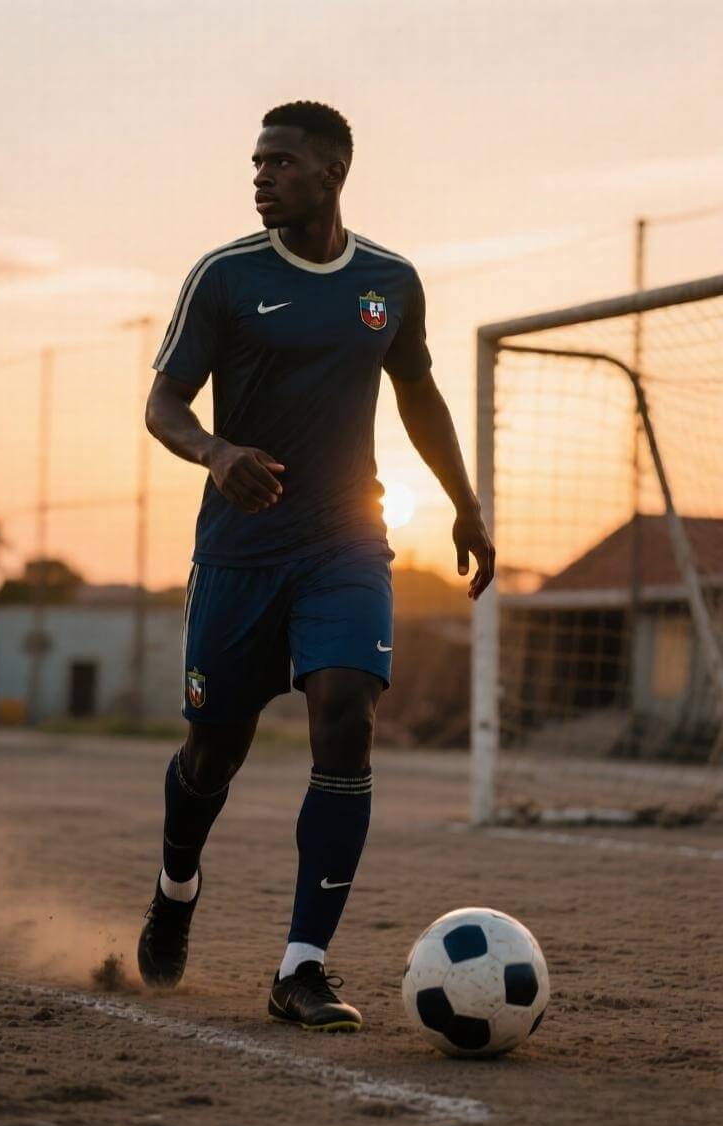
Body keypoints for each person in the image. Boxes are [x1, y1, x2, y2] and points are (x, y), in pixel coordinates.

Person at [138, 100, 495, 1031]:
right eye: (256, 162)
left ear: (331, 173)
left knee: (345, 710)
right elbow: (163, 405)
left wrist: (465, 502)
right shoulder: (223, 278)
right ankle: (177, 885)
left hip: (345, 542)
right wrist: (218, 454)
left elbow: (417, 390)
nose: (259, 175)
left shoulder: (390, 281)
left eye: (279, 162)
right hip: (239, 554)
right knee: (213, 752)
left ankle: (303, 966)